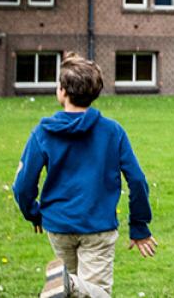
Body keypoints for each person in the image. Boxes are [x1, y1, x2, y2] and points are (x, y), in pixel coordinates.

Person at [13, 53, 156, 298]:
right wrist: (139, 224)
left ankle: (68, 284)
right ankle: (71, 283)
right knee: (95, 292)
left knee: (66, 292)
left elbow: (23, 185)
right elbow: (137, 180)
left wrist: (33, 213)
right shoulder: (112, 131)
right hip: (98, 227)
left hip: (59, 227)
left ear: (62, 91)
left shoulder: (42, 134)